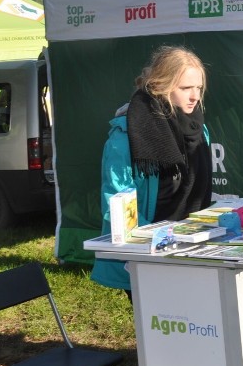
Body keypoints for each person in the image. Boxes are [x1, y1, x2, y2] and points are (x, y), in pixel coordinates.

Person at [91, 45, 213, 300]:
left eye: (198, 88)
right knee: (161, 328)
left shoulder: (199, 129)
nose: (194, 97)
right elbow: (117, 203)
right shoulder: (126, 137)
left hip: (192, 247)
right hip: (149, 252)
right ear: (161, 86)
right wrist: (160, 244)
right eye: (185, 88)